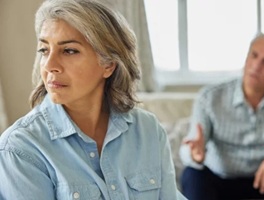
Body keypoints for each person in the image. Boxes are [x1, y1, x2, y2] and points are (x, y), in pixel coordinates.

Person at [0, 0, 186, 199]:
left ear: (109, 64)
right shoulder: (20, 148)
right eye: (44, 50)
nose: (49, 65)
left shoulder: (148, 130)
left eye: (69, 50)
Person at [179, 32, 264, 200]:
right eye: (254, 56)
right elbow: (190, 146)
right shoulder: (209, 97)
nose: (256, 66)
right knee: (192, 174)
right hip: (220, 180)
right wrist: (194, 154)